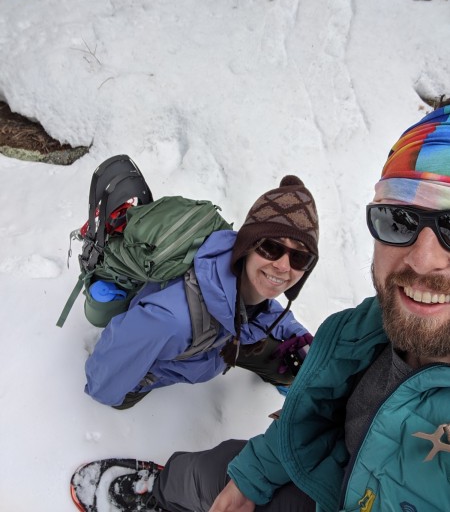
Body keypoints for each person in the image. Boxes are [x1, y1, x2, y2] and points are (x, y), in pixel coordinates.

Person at [103, 105, 450, 511]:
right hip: (321, 473)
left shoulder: (276, 313)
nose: (424, 259)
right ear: (244, 246)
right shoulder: (375, 322)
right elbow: (105, 386)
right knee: (205, 472)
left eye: (299, 258)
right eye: (400, 219)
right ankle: (160, 496)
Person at [85, 175, 319, 409]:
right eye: (271, 247)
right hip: (170, 359)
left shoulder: (243, 281)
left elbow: (257, 308)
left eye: (299, 256)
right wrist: (110, 395)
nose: (283, 266)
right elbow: (104, 378)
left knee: (289, 368)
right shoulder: (168, 321)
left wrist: (296, 334)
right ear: (247, 245)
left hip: (221, 345)